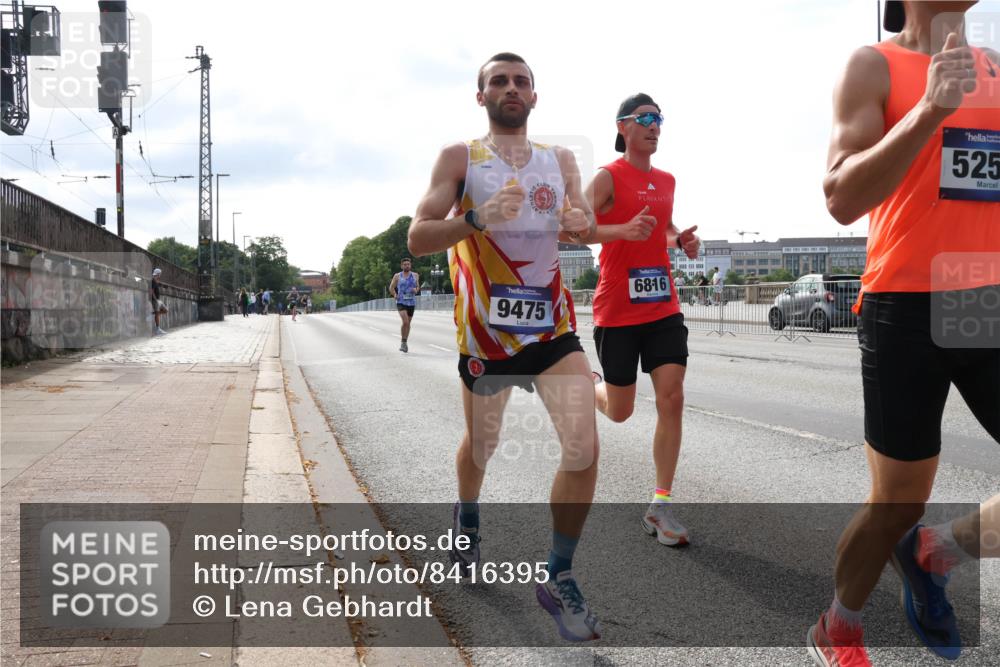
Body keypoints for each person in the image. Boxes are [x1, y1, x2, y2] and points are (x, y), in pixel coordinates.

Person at [808, 3, 999, 666]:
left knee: (914, 520)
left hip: (982, 292)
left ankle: (938, 550)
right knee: (897, 501)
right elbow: (838, 197)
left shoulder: (997, 71)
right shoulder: (874, 64)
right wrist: (928, 111)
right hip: (904, 300)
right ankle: (838, 626)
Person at [409, 52, 601, 641]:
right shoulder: (459, 158)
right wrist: (476, 217)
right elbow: (418, 238)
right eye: (499, 80)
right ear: (481, 96)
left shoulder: (560, 159)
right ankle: (467, 517)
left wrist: (578, 218)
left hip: (550, 329)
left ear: (535, 98)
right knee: (483, 445)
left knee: (584, 447)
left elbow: (584, 225)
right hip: (487, 336)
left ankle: (558, 573)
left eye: (521, 81)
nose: (511, 88)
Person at [583, 93, 701, 548]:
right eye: (645, 119)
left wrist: (681, 241)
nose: (655, 126)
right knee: (620, 411)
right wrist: (619, 231)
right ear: (622, 127)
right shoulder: (607, 177)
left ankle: (660, 504)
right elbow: (572, 226)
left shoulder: (667, 181)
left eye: (659, 119)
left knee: (672, 398)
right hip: (617, 309)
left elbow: (663, 229)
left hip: (662, 306)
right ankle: (587, 388)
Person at [390, 258, 421, 352]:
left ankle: (405, 342)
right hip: (401, 301)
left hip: (411, 302)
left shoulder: (415, 275)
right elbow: (391, 287)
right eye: (405, 264)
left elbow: (417, 286)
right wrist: (395, 294)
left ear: (410, 265)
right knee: (405, 322)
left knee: (408, 324)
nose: (407, 266)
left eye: (408, 264)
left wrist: (416, 290)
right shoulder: (397, 276)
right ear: (401, 266)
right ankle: (403, 343)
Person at [150, 268, 167, 336]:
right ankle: (157, 329)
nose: (160, 275)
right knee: (157, 313)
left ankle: (152, 315)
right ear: (158, 274)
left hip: (158, 300)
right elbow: (151, 291)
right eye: (160, 274)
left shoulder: (156, 280)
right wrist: (155, 299)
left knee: (165, 310)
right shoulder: (153, 281)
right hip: (155, 300)